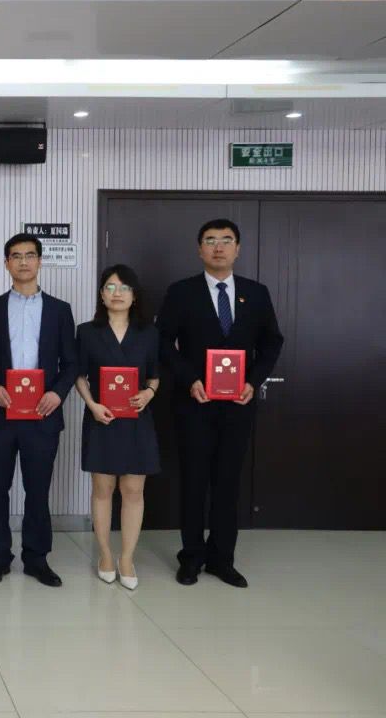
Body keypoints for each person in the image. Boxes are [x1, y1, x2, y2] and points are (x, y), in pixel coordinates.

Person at [157, 218, 283, 588]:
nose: (218, 247)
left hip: (238, 406)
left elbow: (272, 342)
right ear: (199, 249)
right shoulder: (181, 292)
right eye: (210, 240)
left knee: (228, 483)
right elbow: (162, 342)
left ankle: (222, 559)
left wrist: (253, 382)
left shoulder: (255, 293)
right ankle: (191, 557)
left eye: (226, 240)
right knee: (194, 482)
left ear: (237, 249)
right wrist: (189, 379)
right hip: (194, 402)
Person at [0, 233, 76, 587]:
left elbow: (71, 363)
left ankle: (37, 559)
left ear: (39, 261)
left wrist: (58, 394)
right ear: (6, 263)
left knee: (37, 491)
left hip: (42, 415)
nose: (23, 262)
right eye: (16, 256)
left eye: (30, 255)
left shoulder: (59, 310)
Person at [74, 265, 160, 590]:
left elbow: (155, 375)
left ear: (134, 295)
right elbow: (79, 374)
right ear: (101, 295)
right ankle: (106, 555)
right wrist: (92, 405)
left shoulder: (149, 333)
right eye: (110, 287)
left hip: (137, 419)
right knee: (103, 488)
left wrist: (149, 393)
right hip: (102, 418)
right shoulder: (87, 331)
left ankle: (127, 557)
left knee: (134, 490)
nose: (117, 293)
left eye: (124, 287)